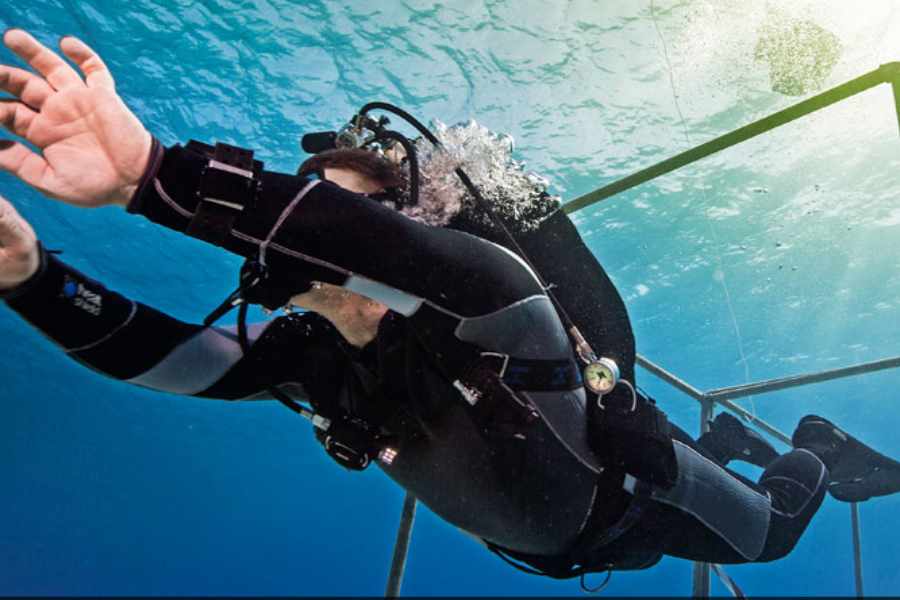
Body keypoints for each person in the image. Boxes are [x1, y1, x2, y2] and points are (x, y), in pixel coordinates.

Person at [2, 29, 899, 580]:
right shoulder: (309, 359)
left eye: (355, 216)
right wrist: (31, 277)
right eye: (323, 213)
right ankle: (730, 439)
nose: (333, 239)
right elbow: (167, 361)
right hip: (557, 552)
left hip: (635, 496)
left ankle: (809, 444)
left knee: (774, 536)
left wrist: (157, 180)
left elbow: (389, 254)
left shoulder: (500, 300)